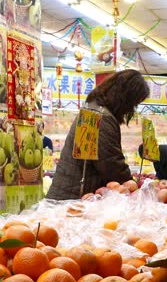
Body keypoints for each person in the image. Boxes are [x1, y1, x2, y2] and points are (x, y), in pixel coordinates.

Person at [47, 69, 150, 200]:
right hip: (74, 198)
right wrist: (132, 188)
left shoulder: (94, 109)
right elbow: (111, 164)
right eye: (133, 103)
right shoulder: (102, 118)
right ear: (125, 98)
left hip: (69, 194)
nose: (132, 109)